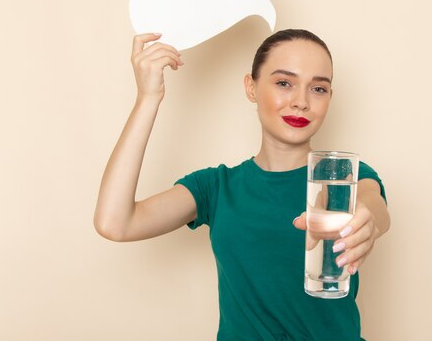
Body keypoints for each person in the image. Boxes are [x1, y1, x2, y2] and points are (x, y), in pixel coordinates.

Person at [94, 29, 391, 341]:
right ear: (251, 87)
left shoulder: (344, 178)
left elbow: (373, 208)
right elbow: (115, 223)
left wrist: (365, 220)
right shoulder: (216, 187)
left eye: (318, 88)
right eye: (284, 83)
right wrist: (147, 99)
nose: (301, 102)